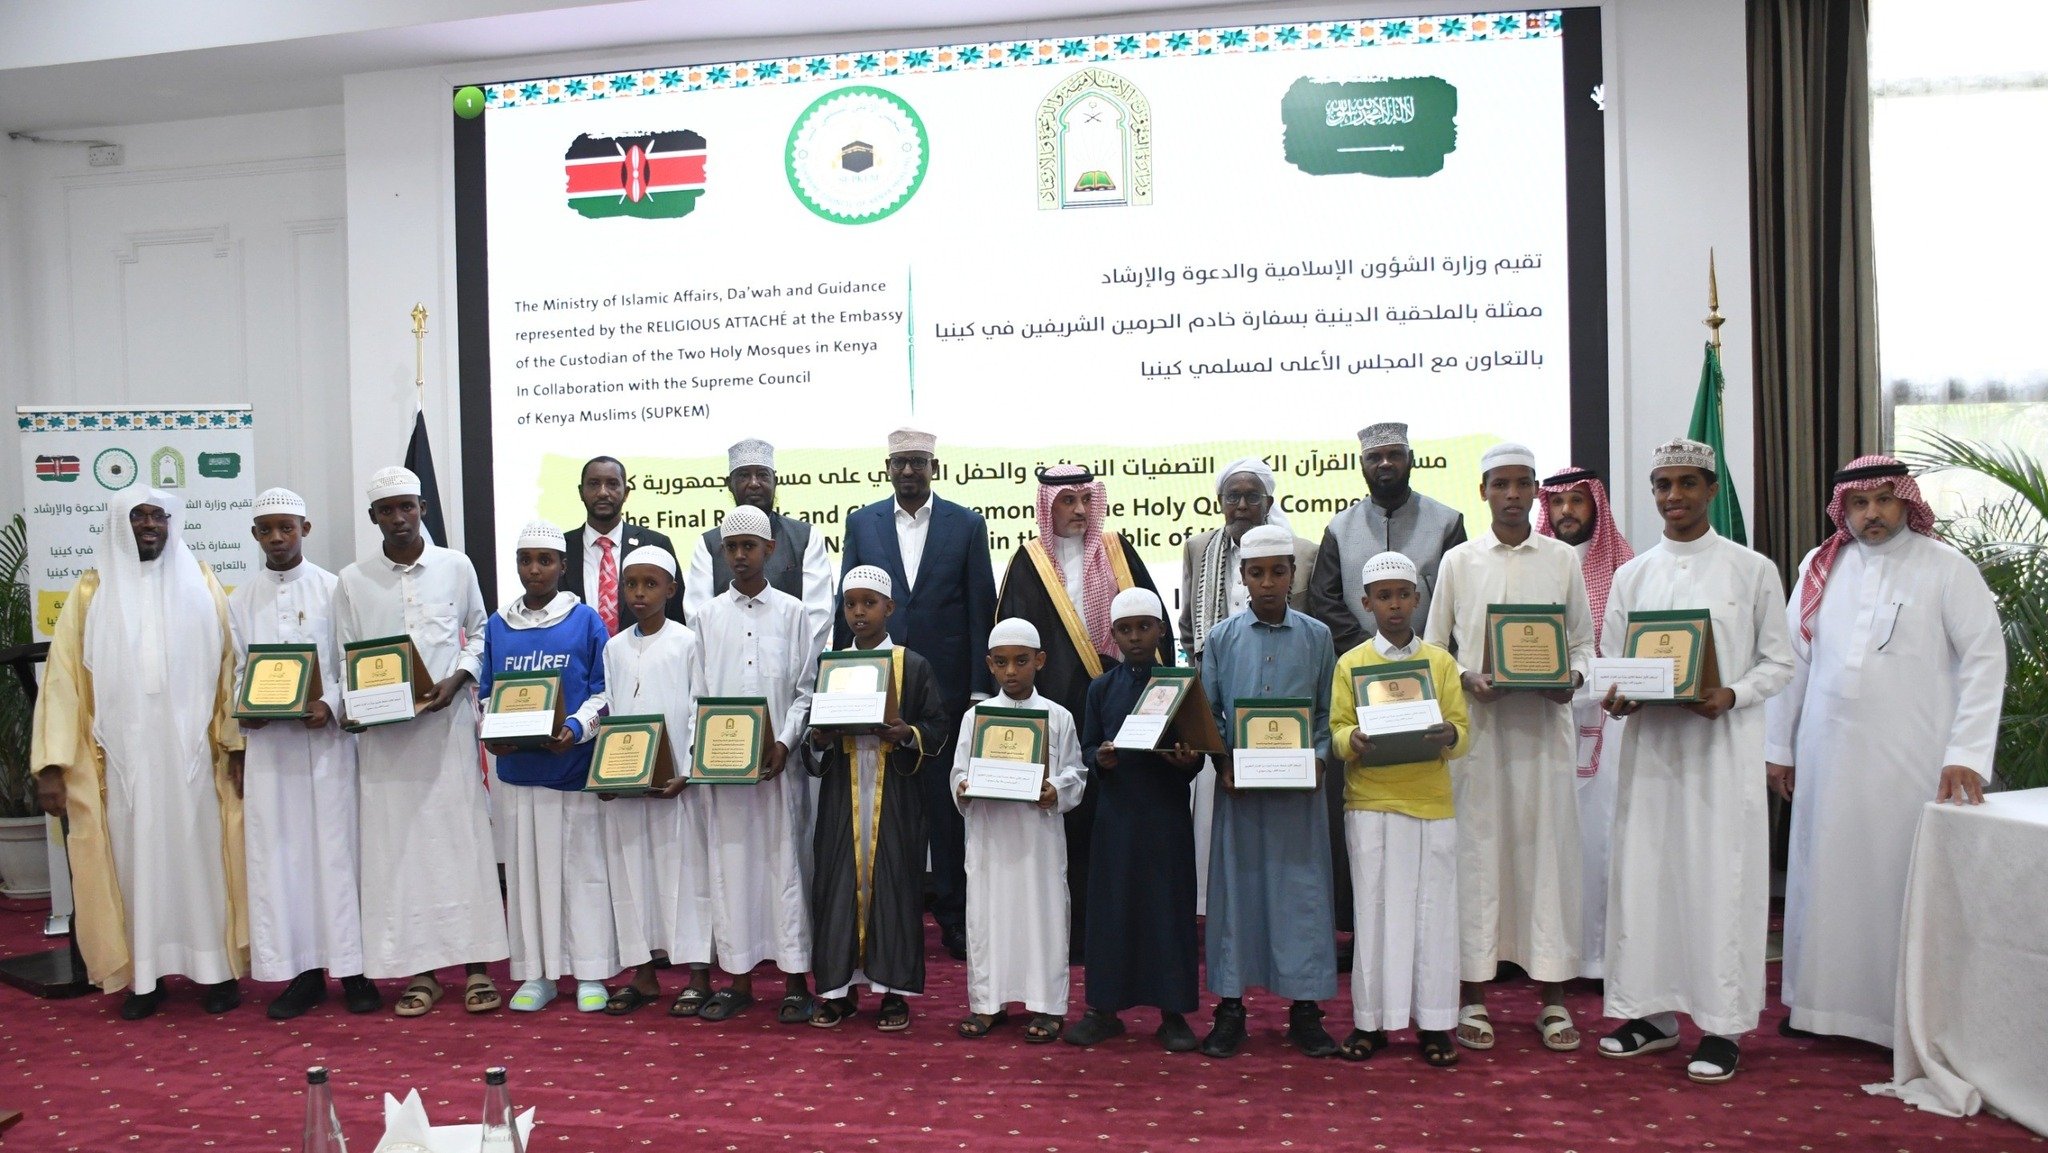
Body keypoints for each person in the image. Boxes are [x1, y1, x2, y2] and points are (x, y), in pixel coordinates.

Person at [1765, 455, 2005, 1047]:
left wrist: (1967, 753)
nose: (1872, 513)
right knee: (1822, 875)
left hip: (1913, 755)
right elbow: (1792, 662)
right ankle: (1818, 1008)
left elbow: (1984, 661)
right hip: (1827, 754)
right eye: (1859, 503)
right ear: (1843, 509)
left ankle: (1896, 1020)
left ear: (1905, 501)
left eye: (1883, 500)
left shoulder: (1946, 568)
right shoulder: (1821, 566)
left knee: (1898, 877)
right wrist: (1778, 746)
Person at [1596, 438, 1794, 1084]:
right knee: (1647, 882)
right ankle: (1651, 1016)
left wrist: (1731, 694)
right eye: (1662, 484)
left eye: (1686, 483)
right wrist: (1618, 697)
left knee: (1719, 883)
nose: (1673, 496)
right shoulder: (1632, 575)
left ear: (1711, 489)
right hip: (1651, 757)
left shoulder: (1752, 569)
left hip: (1721, 755)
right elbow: (1610, 664)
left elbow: (1779, 662)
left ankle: (1722, 1026)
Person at [32, 488, 249, 1019]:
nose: (148, 525)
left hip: (195, 759)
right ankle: (145, 979)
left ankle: (217, 972)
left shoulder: (203, 583)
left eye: (157, 516)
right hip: (121, 763)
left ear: (172, 523)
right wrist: (52, 765)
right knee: (133, 862)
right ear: (118, 525)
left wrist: (236, 743)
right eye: (137, 517)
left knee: (203, 859)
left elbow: (232, 669)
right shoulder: (91, 591)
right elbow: (62, 681)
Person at [1423, 443, 1595, 1053]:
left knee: (1548, 858)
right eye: (1501, 484)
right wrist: (1468, 679)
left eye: (1524, 484)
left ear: (1536, 492)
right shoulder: (1459, 561)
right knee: (1478, 858)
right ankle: (1473, 995)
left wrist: (1570, 680)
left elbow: (1582, 645)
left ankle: (1553, 999)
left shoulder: (1562, 560)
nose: (1514, 494)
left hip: (1544, 736)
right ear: (1484, 492)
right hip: (1480, 737)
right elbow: (1434, 650)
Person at [333, 466, 509, 1017]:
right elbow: (345, 655)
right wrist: (356, 707)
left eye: (407, 507)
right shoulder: (352, 580)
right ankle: (421, 972)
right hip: (385, 745)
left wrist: (457, 680)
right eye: (387, 510)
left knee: (462, 845)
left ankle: (477, 969)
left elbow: (482, 633)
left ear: (422, 509)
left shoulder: (456, 566)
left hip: (446, 730)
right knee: (399, 853)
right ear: (373, 517)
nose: (399, 518)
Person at [997, 464, 1170, 962]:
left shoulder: (1117, 552)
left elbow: (1155, 629)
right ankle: (1071, 935)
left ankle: (1125, 932)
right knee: (1068, 823)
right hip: (1057, 714)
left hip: (1119, 711)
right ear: (1046, 507)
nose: (1078, 511)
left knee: (1119, 822)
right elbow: (1013, 645)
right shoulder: (1029, 561)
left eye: (1085, 501)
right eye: (1066, 501)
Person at [839, 428, 998, 960]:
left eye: (918, 462)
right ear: (887, 467)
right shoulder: (862, 523)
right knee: (886, 810)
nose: (908, 471)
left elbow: (979, 605)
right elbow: (848, 602)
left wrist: (979, 688)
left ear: (934, 467)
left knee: (944, 810)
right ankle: (891, 914)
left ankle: (953, 915)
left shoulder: (966, 524)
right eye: (899, 462)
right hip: (876, 685)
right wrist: (839, 679)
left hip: (944, 691)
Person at [226, 487, 376, 1019]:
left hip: (327, 745)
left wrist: (330, 704)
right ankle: (303, 973)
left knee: (337, 853)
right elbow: (240, 669)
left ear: (305, 530)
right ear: (254, 535)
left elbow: (348, 660)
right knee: (282, 858)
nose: (276, 538)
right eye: (266, 529)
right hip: (273, 752)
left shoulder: (335, 589)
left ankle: (354, 970)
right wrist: (246, 709)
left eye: (286, 527)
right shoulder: (240, 599)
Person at [1198, 526, 1341, 1058]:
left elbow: (1327, 712)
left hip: (1299, 796)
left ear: (1292, 575)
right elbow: (1208, 713)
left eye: (1278, 572)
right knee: (1236, 894)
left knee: (1302, 894)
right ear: (1242, 577)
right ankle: (1231, 1009)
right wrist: (1224, 763)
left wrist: (1319, 759)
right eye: (1256, 573)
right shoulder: (1221, 638)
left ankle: (1305, 1010)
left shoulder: (1317, 636)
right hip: (1240, 792)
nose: (1267, 582)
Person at [1329, 551, 1470, 1066]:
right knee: (1373, 915)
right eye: (1383, 596)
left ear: (1417, 599)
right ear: (1366, 603)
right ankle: (1370, 1023)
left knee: (1433, 917)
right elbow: (1337, 729)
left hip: (1430, 805)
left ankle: (1434, 1025)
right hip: (1370, 804)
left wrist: (1449, 733)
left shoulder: (1440, 662)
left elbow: (1461, 731)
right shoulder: (1351, 664)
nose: (1394, 605)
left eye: (1403, 595)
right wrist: (1352, 740)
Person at [803, 565, 952, 1031]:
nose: (859, 613)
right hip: (843, 791)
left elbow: (937, 725)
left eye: (869, 603)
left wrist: (907, 733)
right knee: (838, 885)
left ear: (889, 607)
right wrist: (820, 738)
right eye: (850, 604)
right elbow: (814, 730)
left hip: (895, 792)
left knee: (894, 884)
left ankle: (892, 994)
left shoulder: (913, 665)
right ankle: (838, 992)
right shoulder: (832, 665)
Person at [692, 505, 822, 1024]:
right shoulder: (706, 617)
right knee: (732, 869)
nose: (740, 555)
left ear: (770, 549)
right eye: (732, 547)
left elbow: (805, 691)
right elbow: (698, 695)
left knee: (785, 865)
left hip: (778, 768)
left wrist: (785, 743)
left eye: (750, 546)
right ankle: (738, 980)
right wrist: (703, 758)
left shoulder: (794, 613)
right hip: (723, 771)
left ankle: (795, 980)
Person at [479, 521, 613, 1014]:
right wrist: (494, 730)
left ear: (562, 565)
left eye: (545, 560)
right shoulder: (499, 624)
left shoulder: (584, 620)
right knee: (527, 877)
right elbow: (488, 693)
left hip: (571, 768)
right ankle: (537, 973)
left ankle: (590, 971)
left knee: (582, 873)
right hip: (519, 773)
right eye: (525, 560)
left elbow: (604, 691)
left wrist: (575, 728)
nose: (534, 569)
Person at [1068, 588, 1203, 1052]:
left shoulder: (1181, 684)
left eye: (1144, 627)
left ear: (1161, 630)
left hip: (1166, 816)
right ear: (1113, 635)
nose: (1135, 637)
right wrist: (1100, 758)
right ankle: (1104, 1010)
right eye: (1125, 630)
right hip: (1117, 818)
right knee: (1113, 910)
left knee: (1168, 910)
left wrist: (1187, 761)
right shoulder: (1101, 688)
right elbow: (1087, 747)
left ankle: (1173, 1013)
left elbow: (1198, 750)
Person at [951, 618, 1087, 1044]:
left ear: (1040, 661)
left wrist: (1056, 790)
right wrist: (963, 787)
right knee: (987, 917)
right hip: (991, 838)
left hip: (1037, 842)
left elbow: (1076, 773)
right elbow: (958, 771)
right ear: (989, 664)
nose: (1011, 671)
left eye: (1021, 661)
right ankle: (987, 1002)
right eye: (1002, 662)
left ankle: (1047, 1006)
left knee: (1042, 917)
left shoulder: (1058, 717)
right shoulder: (975, 718)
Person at [594, 546, 711, 1018]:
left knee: (686, 876)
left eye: (650, 584)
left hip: (676, 785)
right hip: (627, 787)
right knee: (632, 876)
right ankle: (642, 974)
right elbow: (611, 710)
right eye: (631, 584)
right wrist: (605, 773)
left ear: (671, 590)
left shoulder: (688, 642)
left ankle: (698, 975)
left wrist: (687, 772)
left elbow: (698, 709)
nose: (639, 594)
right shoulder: (614, 647)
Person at [1535, 464, 1635, 979]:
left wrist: (1584, 684)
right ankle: (1542, 951)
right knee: (1544, 836)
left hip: (1606, 721)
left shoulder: (1624, 568)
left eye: (1577, 500)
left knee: (1598, 837)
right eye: (1557, 502)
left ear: (1596, 505)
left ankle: (1596, 957)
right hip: (1540, 718)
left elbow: (1625, 651)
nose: (1567, 511)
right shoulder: (1536, 564)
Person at [1309, 421, 1468, 653]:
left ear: (1410, 458)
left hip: (1432, 659)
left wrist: (1425, 651)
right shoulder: (1339, 528)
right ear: (1361, 464)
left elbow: (1460, 599)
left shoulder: (1447, 522)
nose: (1385, 463)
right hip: (1359, 660)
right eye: (1374, 457)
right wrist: (1370, 651)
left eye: (1394, 455)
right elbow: (1324, 600)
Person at [685, 438, 833, 654]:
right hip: (727, 663)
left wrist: (788, 659)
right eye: (744, 475)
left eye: (763, 475)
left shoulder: (805, 537)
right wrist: (736, 661)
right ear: (729, 484)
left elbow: (818, 614)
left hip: (790, 662)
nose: (754, 483)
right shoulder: (709, 543)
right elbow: (697, 618)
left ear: (775, 481)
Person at [1179, 457, 1316, 664]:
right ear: (1220, 502)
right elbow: (1188, 625)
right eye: (1232, 497)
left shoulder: (1305, 554)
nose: (1241, 506)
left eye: (1252, 497)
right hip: (1216, 671)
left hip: (1284, 668)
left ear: (1268, 504)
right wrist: (1204, 669)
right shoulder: (1197, 548)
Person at [561, 455, 684, 631]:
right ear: (581, 492)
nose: (603, 492)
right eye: (594, 484)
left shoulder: (656, 544)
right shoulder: (560, 548)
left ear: (626, 493)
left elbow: (676, 614)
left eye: (612, 484)